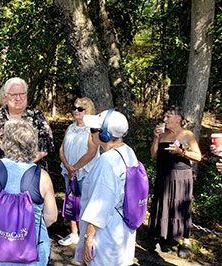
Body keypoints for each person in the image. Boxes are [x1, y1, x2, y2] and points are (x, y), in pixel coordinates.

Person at [0, 119, 58, 265]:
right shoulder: (42, 176)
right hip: (32, 255)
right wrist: (26, 229)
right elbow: (51, 217)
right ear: (32, 143)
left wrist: (5, 223)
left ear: (5, 142)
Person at [74, 109, 138, 265]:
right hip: (122, 233)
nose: (90, 133)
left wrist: (89, 239)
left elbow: (100, 204)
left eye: (93, 130)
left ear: (105, 135)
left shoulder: (107, 161)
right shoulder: (128, 152)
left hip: (105, 238)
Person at [149, 106, 201, 258]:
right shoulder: (163, 134)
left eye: (168, 116)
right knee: (164, 204)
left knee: (180, 205)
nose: (165, 119)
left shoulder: (186, 134)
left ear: (178, 119)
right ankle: (163, 236)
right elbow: (153, 154)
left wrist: (181, 152)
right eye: (164, 117)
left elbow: (198, 156)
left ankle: (185, 240)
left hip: (180, 176)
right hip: (163, 175)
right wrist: (156, 138)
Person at [0, 77, 54, 164]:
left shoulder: (37, 116)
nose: (18, 98)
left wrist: (21, 167)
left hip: (31, 173)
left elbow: (45, 147)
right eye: (14, 95)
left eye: (22, 94)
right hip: (1, 173)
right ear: (6, 97)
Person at [58, 97, 99, 246]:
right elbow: (61, 148)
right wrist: (68, 166)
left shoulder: (92, 129)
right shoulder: (70, 127)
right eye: (74, 108)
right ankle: (74, 233)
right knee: (71, 201)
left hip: (85, 172)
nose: (76, 111)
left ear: (88, 112)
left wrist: (75, 167)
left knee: (86, 203)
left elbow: (92, 152)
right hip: (69, 171)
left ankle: (86, 235)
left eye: (80, 109)